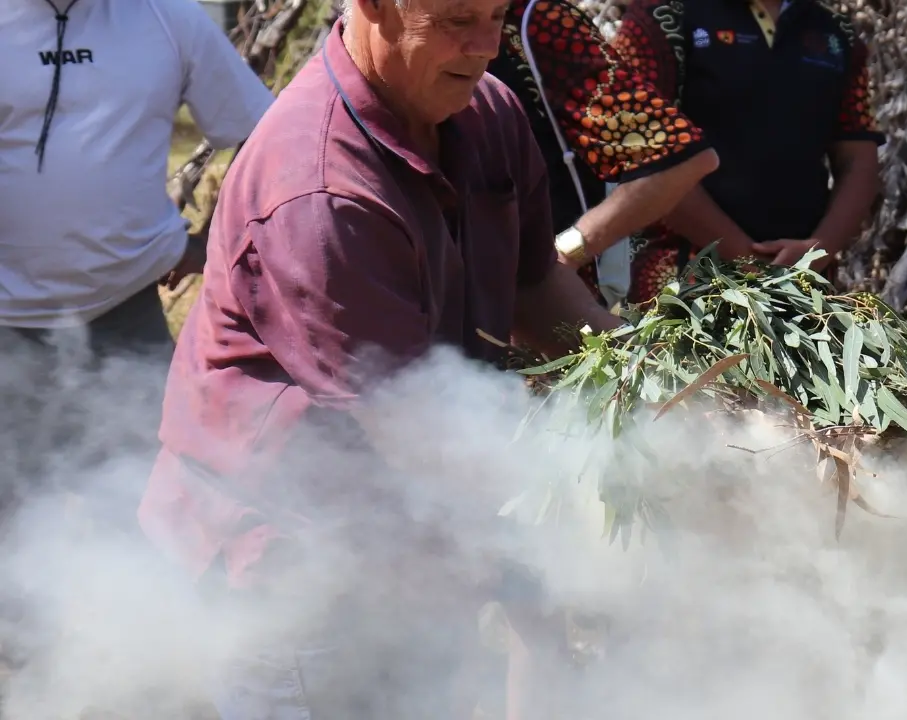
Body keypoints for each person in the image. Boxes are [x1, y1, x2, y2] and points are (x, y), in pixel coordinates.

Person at [136, 0, 627, 716]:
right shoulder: (317, 190)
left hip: (420, 536)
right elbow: (423, 432)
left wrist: (636, 381)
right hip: (295, 568)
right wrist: (594, 526)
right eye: (458, 17)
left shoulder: (485, 109)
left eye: (496, 15)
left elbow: (532, 283)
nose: (485, 46)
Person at [0, 0, 272, 516]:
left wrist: (216, 241)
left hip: (127, 322)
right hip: (5, 336)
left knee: (159, 519)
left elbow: (264, 138)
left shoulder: (167, 18)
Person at [607, 0, 882, 302]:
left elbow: (858, 158)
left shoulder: (835, 32)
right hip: (682, 284)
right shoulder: (660, 18)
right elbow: (644, 154)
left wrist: (816, 251)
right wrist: (744, 257)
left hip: (801, 289)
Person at [488, 0, 718, 307]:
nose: (479, 45)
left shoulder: (535, 22)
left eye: (487, 19)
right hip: (441, 310)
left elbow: (672, 157)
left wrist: (567, 252)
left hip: (546, 314)